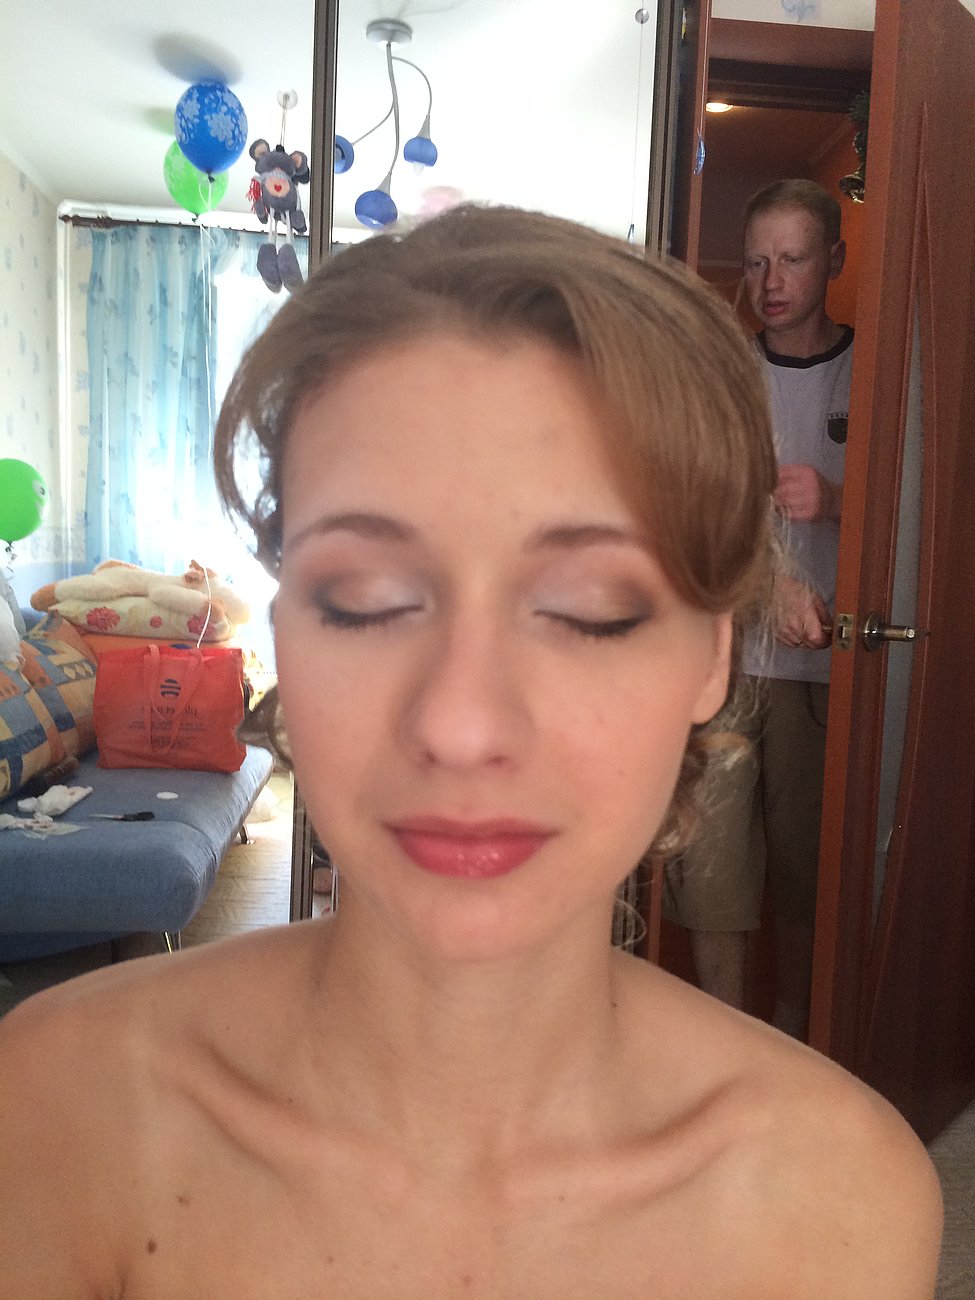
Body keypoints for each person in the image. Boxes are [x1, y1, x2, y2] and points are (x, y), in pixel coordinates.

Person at [0, 205, 940, 1297]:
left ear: (710, 658)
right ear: (288, 636)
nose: (461, 724)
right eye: (364, 600)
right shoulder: (59, 1111)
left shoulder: (842, 1200)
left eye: (588, 611)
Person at [665, 179, 853, 1038]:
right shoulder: (720, 372)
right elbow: (684, 510)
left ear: (833, 261)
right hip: (725, 665)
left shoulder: (876, 376)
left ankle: (794, 1041)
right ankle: (722, 1048)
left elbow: (926, 521)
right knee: (713, 868)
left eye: (791, 259)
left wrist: (838, 501)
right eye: (754, 263)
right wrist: (762, 580)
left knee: (809, 875)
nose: (770, 282)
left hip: (831, 667)